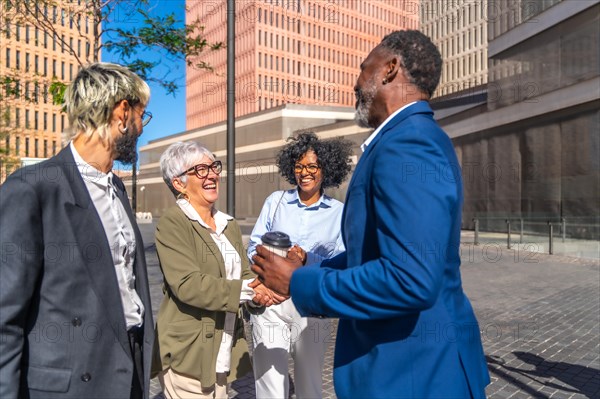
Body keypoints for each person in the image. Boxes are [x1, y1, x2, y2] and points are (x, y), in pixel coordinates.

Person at [251, 30, 491, 398]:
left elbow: (410, 278)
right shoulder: (404, 139)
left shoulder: (409, 143)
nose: (355, 82)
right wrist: (306, 270)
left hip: (413, 375)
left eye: (364, 68)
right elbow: (374, 253)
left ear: (391, 68)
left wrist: (299, 285)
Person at [0, 62, 154, 398]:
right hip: (70, 384)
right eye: (144, 115)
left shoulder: (117, 186)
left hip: (127, 366)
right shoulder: (32, 188)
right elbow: (4, 315)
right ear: (123, 112)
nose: (143, 128)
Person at [151, 141, 282, 399]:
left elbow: (244, 276)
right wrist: (250, 290)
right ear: (178, 183)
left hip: (224, 348)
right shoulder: (173, 223)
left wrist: (261, 292)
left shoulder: (228, 224)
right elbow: (189, 285)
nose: (212, 174)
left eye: (213, 167)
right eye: (200, 170)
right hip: (188, 352)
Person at [247, 131, 353, 399]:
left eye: (312, 166)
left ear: (325, 170)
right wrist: (269, 260)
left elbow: (344, 262)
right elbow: (253, 247)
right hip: (272, 303)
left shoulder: (339, 213)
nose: (304, 172)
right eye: (298, 166)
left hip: (313, 306)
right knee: (269, 383)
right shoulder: (275, 202)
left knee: (309, 385)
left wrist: (307, 259)